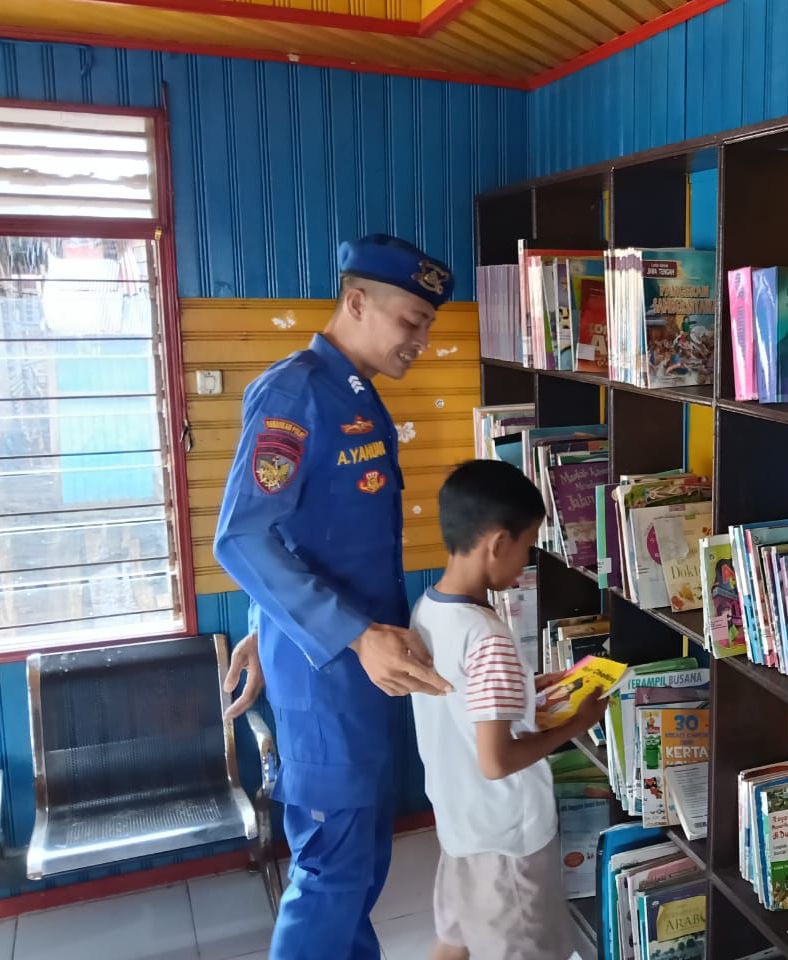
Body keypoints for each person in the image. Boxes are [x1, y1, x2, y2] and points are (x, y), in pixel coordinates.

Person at [213, 233, 457, 960]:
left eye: (428, 325)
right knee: (331, 874)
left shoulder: (352, 391)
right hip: (330, 677)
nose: (421, 340)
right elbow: (242, 537)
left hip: (355, 669)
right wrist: (346, 634)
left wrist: (265, 624)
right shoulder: (296, 394)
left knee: (360, 869)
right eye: (411, 320)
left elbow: (294, 535)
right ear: (356, 301)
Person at [410, 459, 609, 960]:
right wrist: (577, 724)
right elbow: (496, 761)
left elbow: (465, 702)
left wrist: (528, 688)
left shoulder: (428, 611)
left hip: (460, 823)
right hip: (508, 839)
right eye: (527, 546)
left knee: (454, 941)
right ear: (498, 543)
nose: (526, 560)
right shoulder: (488, 637)